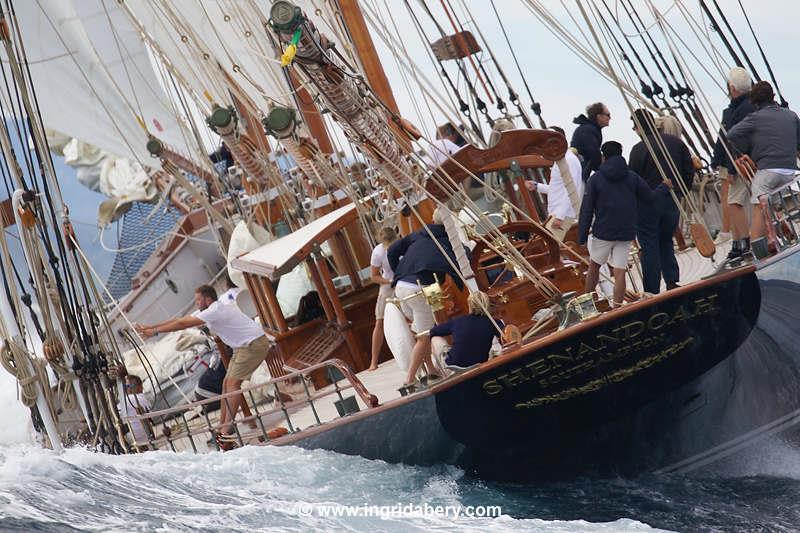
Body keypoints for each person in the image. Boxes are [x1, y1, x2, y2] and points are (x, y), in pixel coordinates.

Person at [135, 284, 273, 445]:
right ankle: (223, 427)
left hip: (253, 344)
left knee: (234, 384)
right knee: (226, 384)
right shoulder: (208, 311)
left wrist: (156, 331)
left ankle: (225, 431)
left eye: (199, 300)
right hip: (242, 347)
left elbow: (183, 325)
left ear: (208, 299)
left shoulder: (214, 310)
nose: (197, 303)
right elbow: (180, 320)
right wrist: (150, 328)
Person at [578, 141, 670, 305]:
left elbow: (587, 209)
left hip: (604, 232)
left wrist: (582, 236)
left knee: (594, 267)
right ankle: (618, 308)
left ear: (603, 157)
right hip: (626, 232)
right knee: (620, 272)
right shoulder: (632, 177)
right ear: (621, 154)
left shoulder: (596, 179)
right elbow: (650, 198)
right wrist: (663, 187)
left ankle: (588, 306)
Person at [388, 207, 465, 389]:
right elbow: (459, 265)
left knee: (427, 329)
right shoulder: (448, 241)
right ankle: (409, 379)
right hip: (420, 288)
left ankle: (431, 371)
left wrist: (397, 272)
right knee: (424, 336)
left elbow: (392, 251)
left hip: (403, 285)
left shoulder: (420, 233)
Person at [727, 81, 800, 245]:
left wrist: (747, 149)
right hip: (789, 171)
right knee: (771, 203)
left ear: (754, 102)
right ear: (773, 97)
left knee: (759, 207)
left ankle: (758, 250)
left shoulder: (755, 118)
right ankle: (783, 232)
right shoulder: (791, 115)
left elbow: (732, 134)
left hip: (768, 170)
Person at [629, 109, 694, 293]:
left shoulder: (638, 150)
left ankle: (652, 290)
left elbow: (633, 181)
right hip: (671, 200)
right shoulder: (676, 143)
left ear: (638, 128)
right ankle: (672, 280)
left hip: (648, 204)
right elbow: (688, 171)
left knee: (649, 246)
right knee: (666, 240)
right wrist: (681, 192)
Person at [710, 67, 757, 258]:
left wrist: (729, 167)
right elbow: (724, 138)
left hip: (741, 165)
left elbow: (733, 141)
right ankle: (738, 243)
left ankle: (744, 242)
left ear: (732, 87)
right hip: (745, 162)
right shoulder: (747, 107)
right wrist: (716, 159)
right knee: (742, 201)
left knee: (733, 203)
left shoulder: (738, 111)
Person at [525, 126, 584, 242]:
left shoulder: (569, 161)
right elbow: (559, 188)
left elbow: (571, 190)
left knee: (551, 247)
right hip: (557, 213)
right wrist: (537, 186)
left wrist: (560, 216)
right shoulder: (561, 160)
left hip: (562, 215)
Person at [429, 291, 503, 370]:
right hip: (480, 363)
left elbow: (433, 331)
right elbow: (505, 335)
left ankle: (437, 372)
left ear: (470, 305)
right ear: (487, 304)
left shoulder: (459, 321)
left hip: (454, 366)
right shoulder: (494, 322)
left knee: (435, 338)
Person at [369, 226, 398, 371]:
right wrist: (389, 282)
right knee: (379, 321)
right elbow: (374, 276)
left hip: (404, 281)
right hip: (388, 284)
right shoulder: (378, 252)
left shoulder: (401, 245)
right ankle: (374, 361)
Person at [571, 102, 611, 182]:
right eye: (608, 115)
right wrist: (608, 172)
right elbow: (593, 154)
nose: (610, 118)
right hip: (577, 176)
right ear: (599, 116)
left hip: (578, 173)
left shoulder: (589, 129)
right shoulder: (588, 130)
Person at [117, 374, 151, 451]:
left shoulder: (129, 399)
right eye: (126, 387)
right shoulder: (145, 399)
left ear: (140, 386)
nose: (128, 389)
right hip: (145, 435)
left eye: (130, 386)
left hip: (131, 436)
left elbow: (116, 415)